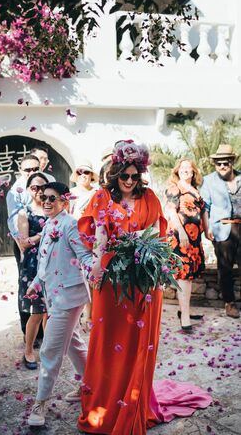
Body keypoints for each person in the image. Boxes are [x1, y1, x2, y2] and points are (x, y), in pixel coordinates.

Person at [77, 140, 212, 435]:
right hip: (112, 280)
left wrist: (139, 242)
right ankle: (106, 401)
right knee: (107, 341)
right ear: (114, 174)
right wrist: (99, 264)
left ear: (141, 176)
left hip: (144, 280)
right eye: (123, 176)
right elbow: (98, 234)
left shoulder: (149, 197)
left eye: (134, 176)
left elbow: (157, 233)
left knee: (138, 341)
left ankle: (134, 400)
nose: (128, 181)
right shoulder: (101, 197)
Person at [26, 182, 92, 427]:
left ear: (65, 202)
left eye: (52, 198)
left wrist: (96, 270)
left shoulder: (70, 224)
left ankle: (40, 403)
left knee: (50, 349)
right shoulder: (49, 225)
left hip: (69, 296)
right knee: (73, 342)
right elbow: (44, 262)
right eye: (43, 197)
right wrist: (35, 283)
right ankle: (90, 386)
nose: (46, 201)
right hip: (52, 293)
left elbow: (84, 255)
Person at [165, 159, 211, 333]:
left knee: (189, 276)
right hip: (180, 237)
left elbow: (203, 210)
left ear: (193, 172)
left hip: (194, 239)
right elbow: (171, 211)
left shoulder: (195, 190)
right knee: (183, 276)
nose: (185, 170)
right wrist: (182, 232)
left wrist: (206, 231)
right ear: (177, 171)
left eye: (189, 168)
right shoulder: (175, 188)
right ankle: (184, 318)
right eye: (182, 168)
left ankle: (184, 310)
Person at [201, 144, 240, 318]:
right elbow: (205, 207)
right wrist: (206, 228)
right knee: (225, 269)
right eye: (218, 164)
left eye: (225, 163)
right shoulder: (209, 181)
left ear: (232, 162)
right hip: (222, 228)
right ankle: (229, 304)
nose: (222, 166)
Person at [17, 172, 49, 369]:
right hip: (33, 266)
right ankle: (28, 351)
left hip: (53, 266)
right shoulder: (25, 212)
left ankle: (47, 351)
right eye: (34, 187)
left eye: (42, 187)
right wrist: (43, 233)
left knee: (50, 314)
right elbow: (23, 242)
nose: (38, 191)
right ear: (29, 190)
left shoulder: (54, 210)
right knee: (36, 313)